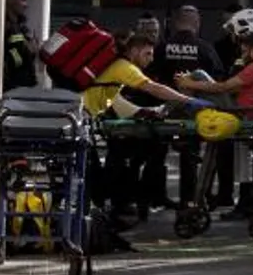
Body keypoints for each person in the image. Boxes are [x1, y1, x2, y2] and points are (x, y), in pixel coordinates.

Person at [85, 33, 212, 225]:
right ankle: (97, 219)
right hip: (82, 120)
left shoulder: (114, 67)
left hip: (85, 120)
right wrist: (188, 100)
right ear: (134, 50)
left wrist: (146, 112)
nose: (151, 59)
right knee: (97, 173)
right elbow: (153, 88)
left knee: (97, 173)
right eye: (148, 54)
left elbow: (117, 103)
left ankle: (101, 217)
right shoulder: (124, 67)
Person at [178, 29, 253, 217]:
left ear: (252, 49)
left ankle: (175, 107)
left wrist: (189, 85)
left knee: (199, 75)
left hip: (238, 112)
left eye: (244, 51)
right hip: (245, 110)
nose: (242, 55)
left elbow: (223, 86)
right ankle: (180, 101)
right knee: (197, 78)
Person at [151, 5, 227, 210]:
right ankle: (189, 198)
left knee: (156, 154)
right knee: (190, 155)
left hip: (164, 109)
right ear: (197, 24)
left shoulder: (162, 48)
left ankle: (156, 197)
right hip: (194, 111)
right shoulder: (205, 48)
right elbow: (217, 81)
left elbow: (149, 76)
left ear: (175, 23)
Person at [2, 0, 38, 93]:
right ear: (9, 0)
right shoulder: (3, 27)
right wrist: (28, 51)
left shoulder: (21, 26)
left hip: (26, 88)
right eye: (23, 0)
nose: (26, 5)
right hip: (12, 90)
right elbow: (12, 60)